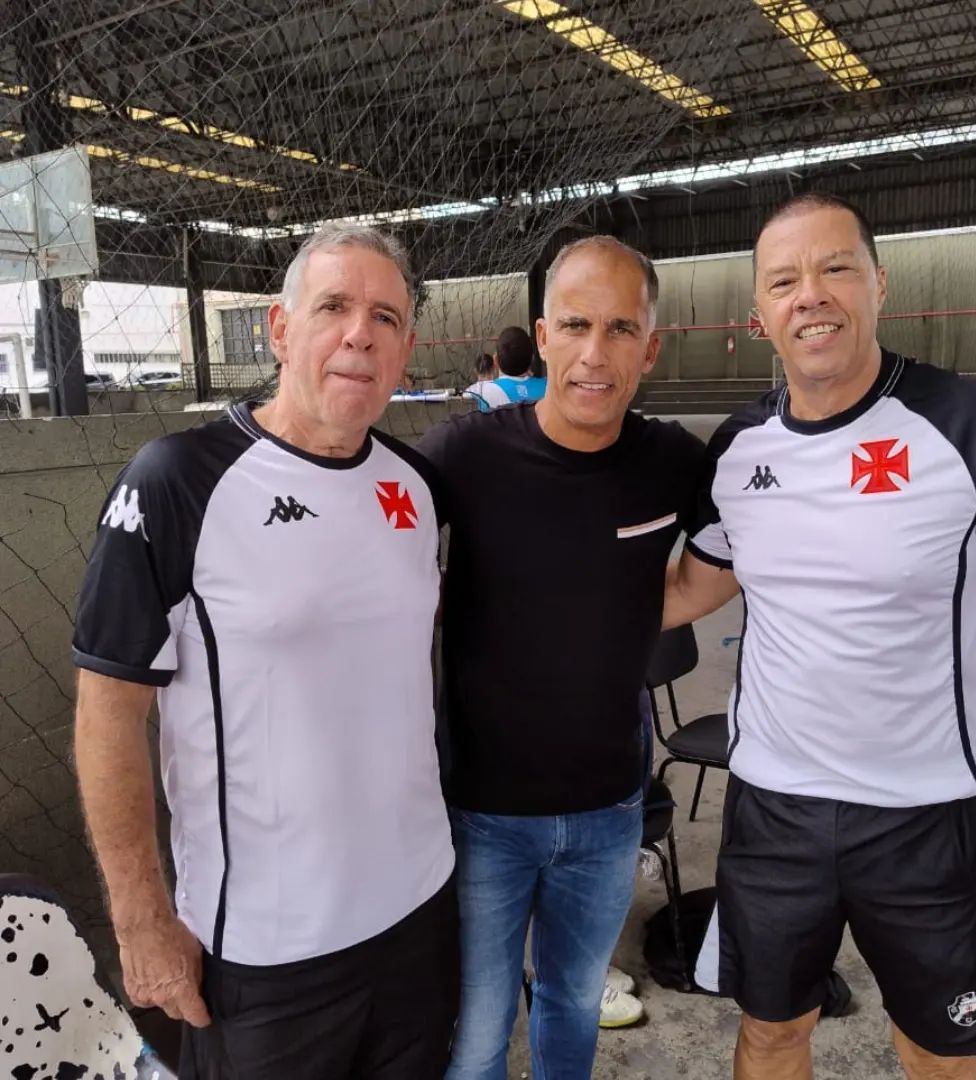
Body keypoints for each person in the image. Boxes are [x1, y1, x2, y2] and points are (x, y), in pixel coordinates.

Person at [664, 192, 976, 1080]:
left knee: (937, 1051)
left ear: (879, 284)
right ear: (759, 311)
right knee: (770, 1033)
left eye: (836, 268)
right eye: (784, 280)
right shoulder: (738, 450)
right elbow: (691, 588)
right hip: (773, 808)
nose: (810, 295)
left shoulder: (969, 428)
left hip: (925, 816)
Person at [72, 223, 458, 1080]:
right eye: (334, 307)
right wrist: (141, 920)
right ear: (281, 330)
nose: (360, 334)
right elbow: (107, 715)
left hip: (419, 916)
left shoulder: (415, 486)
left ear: (406, 350)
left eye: (386, 318)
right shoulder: (177, 481)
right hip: (267, 953)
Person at [419, 235, 704, 1079]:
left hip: (609, 813)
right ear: (543, 338)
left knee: (573, 1006)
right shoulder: (463, 454)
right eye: (576, 325)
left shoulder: (673, 461)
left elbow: (741, 550)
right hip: (482, 815)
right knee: (476, 1033)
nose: (595, 353)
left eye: (621, 329)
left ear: (650, 348)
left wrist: (632, 605)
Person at [462, 325, 546, 411]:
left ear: (495, 360)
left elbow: (463, 396)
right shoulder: (550, 387)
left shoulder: (480, 390)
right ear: (532, 358)